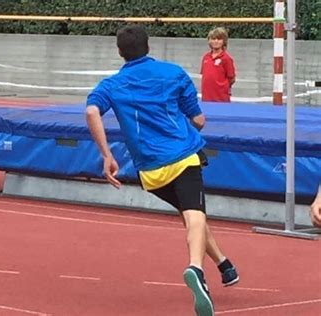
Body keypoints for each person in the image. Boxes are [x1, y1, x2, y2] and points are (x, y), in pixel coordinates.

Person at [86, 25, 239, 316]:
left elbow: (92, 111)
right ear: (149, 46)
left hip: (151, 173)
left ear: (120, 52)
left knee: (190, 213)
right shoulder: (173, 73)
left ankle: (224, 265)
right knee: (195, 215)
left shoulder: (112, 85)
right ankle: (196, 269)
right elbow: (199, 119)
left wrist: (106, 155)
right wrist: (184, 124)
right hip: (182, 157)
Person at [200, 27, 236, 102]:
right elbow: (204, 75)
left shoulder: (226, 58)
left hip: (221, 98)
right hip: (206, 98)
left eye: (219, 39)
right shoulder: (206, 57)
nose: (216, 41)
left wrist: (222, 87)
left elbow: (231, 78)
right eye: (213, 39)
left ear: (223, 41)